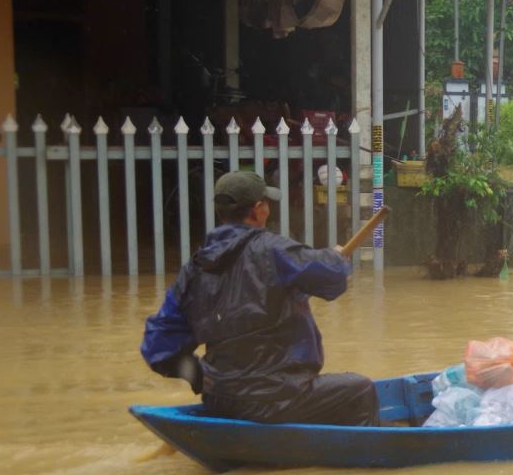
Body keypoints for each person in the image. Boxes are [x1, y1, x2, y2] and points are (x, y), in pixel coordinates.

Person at [140, 170, 378, 426]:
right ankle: (370, 460)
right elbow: (331, 276)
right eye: (267, 204)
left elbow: (158, 348)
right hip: (277, 398)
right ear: (257, 210)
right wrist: (337, 257)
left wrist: (202, 378)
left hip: (219, 400)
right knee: (361, 390)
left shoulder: (194, 270)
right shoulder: (273, 250)